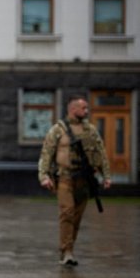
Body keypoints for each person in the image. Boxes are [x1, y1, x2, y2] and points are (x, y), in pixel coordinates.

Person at [38, 96, 111, 266]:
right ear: (73, 109)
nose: (87, 111)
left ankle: (68, 248)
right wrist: (44, 176)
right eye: (83, 108)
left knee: (76, 218)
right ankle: (67, 252)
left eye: (87, 108)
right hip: (65, 178)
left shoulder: (91, 130)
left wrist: (106, 175)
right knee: (67, 213)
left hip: (84, 181)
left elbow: (101, 153)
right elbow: (46, 153)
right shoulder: (58, 130)